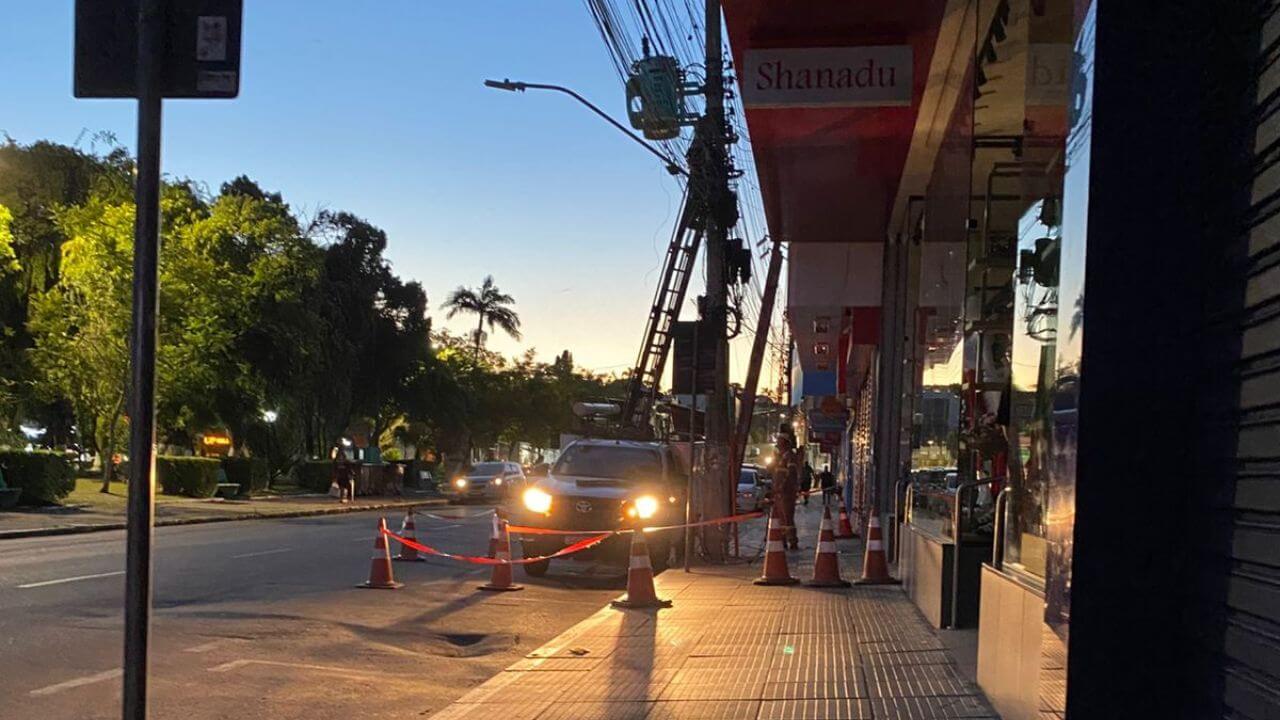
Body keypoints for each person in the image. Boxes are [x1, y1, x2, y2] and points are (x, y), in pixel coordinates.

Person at [774, 434, 801, 550]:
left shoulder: (790, 456)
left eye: (780, 443)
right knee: (781, 518)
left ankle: (792, 541)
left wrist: (782, 487)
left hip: (786, 493)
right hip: (780, 493)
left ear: (785, 443)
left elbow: (791, 474)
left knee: (787, 518)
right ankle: (783, 540)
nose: (778, 445)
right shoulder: (781, 457)